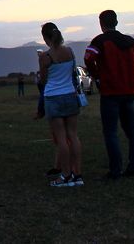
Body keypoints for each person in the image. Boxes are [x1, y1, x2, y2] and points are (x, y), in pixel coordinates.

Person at [84, 9, 134, 180]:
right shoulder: (130, 41)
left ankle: (115, 170)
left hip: (110, 92)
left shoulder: (100, 41)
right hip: (129, 91)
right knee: (131, 130)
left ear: (101, 24)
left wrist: (97, 75)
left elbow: (88, 57)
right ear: (116, 22)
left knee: (111, 132)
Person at [38, 23, 82, 187]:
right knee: (73, 136)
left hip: (53, 97)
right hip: (70, 95)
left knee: (61, 138)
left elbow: (43, 80)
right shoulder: (69, 51)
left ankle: (65, 175)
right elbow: (72, 73)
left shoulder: (45, 56)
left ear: (45, 37)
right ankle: (77, 174)